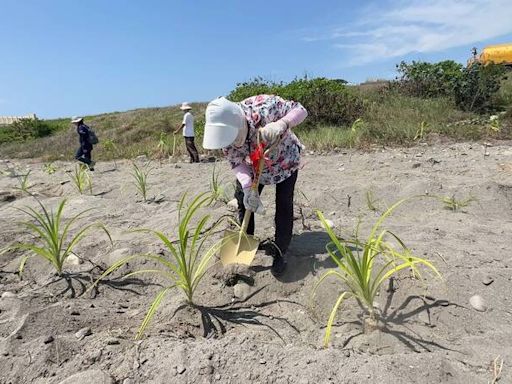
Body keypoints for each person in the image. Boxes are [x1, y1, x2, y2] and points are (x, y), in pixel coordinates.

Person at [203, 95, 307, 276]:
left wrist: (282, 123)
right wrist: (246, 186)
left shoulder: (264, 106)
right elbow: (236, 162)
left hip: (285, 161)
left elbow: (301, 110)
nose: (230, 143)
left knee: (283, 204)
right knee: (244, 202)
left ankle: (281, 251)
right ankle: (244, 247)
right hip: (254, 167)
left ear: (240, 122)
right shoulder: (225, 138)